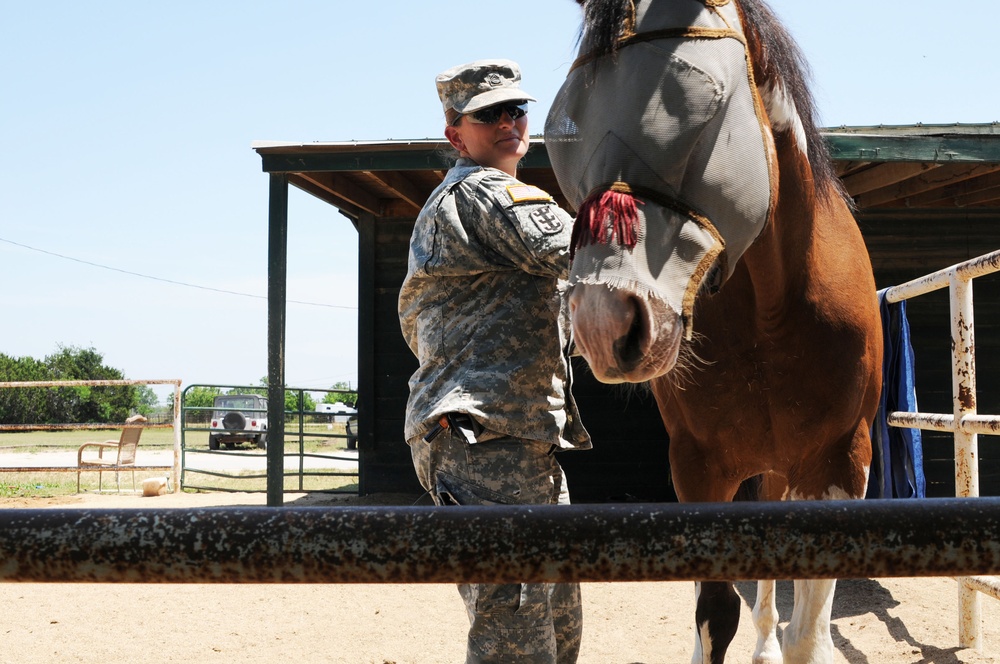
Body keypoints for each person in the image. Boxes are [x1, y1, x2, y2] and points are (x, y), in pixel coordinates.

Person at [397, 59, 591, 664]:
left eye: (517, 109)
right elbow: (584, 249)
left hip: (515, 441)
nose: (509, 121)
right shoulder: (483, 191)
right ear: (457, 135)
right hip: (484, 442)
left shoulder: (473, 201)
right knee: (518, 637)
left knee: (553, 630)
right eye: (489, 114)